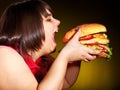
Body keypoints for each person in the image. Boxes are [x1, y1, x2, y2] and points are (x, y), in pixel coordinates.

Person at [0, 0, 101, 90]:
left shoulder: (43, 59)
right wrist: (64, 55)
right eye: (48, 19)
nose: (58, 21)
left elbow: (65, 81)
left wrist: (76, 54)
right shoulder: (4, 54)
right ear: (29, 27)